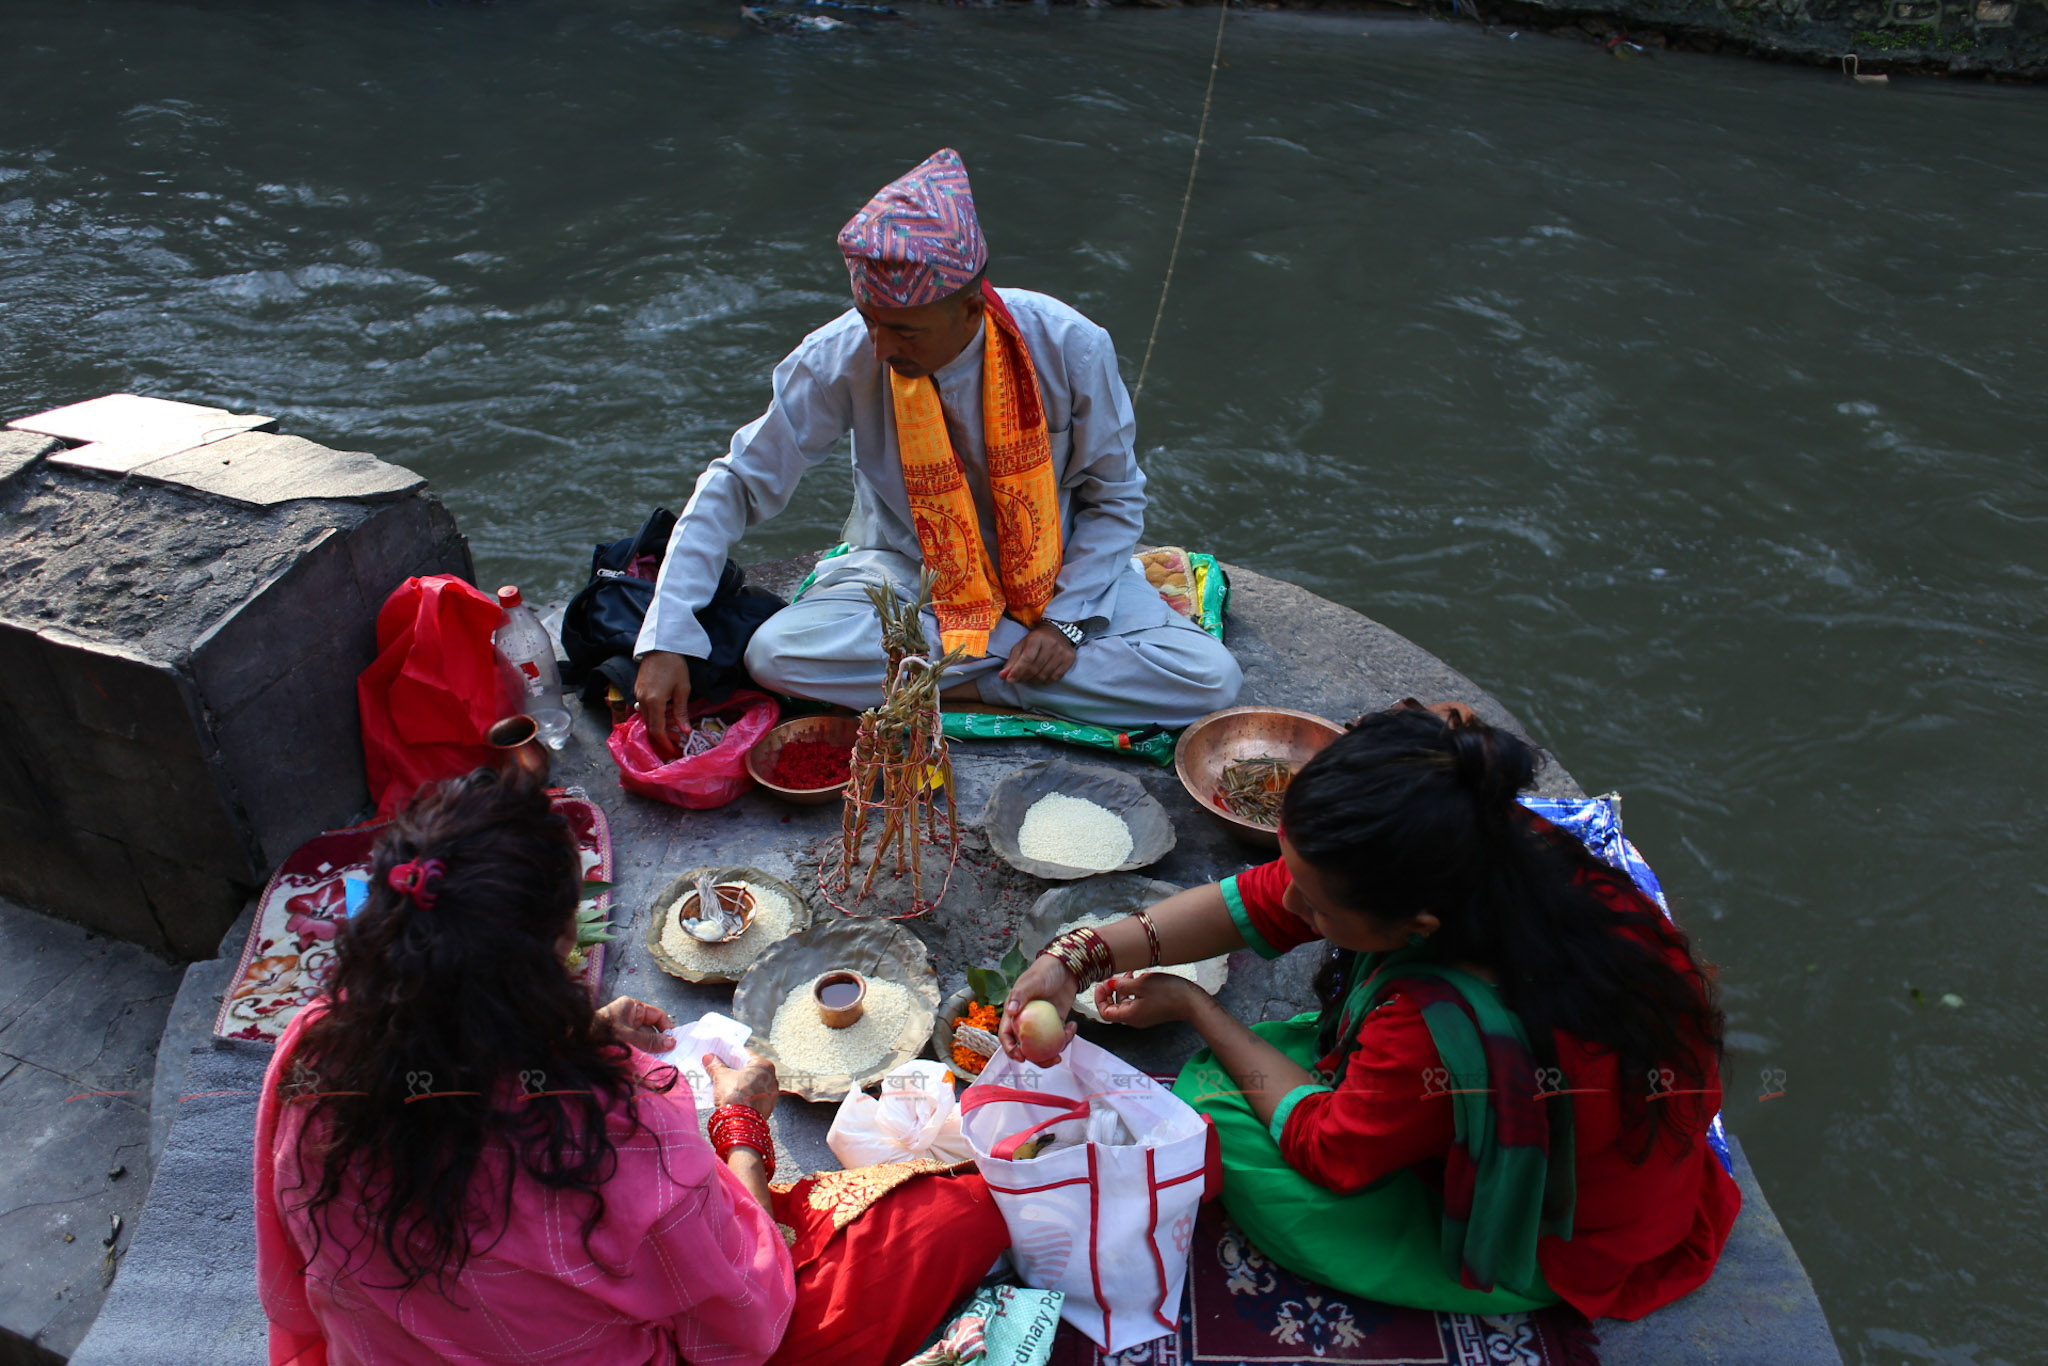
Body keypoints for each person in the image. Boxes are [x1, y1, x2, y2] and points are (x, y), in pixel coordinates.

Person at [998, 702, 1739, 1321]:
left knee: (1216, 1108)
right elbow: (1254, 901)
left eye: (1314, 904)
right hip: (1545, 1121)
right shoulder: (1486, 845)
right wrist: (1074, 958)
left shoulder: (1433, 1025)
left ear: (1417, 930)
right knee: (1277, 1060)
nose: (1287, 903)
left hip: (1560, 1233)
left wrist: (1197, 1007)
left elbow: (1332, 1153)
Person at [255, 768, 1007, 1365]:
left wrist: (573, 1034)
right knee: (961, 1211)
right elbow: (751, 1317)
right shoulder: (608, 1127)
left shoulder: (315, 1051)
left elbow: (291, 1280)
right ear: (545, 964)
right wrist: (743, 1128)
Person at [632, 147, 1241, 756]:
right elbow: (737, 482)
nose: (880, 345)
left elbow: (1113, 502)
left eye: (905, 330)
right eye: (871, 320)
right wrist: (668, 637)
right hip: (912, 579)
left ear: (972, 307)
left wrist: (1066, 625)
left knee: (1211, 682)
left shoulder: (1070, 346)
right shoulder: (840, 354)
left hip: (1056, 580)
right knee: (773, 655)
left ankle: (938, 685)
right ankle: (1011, 683)